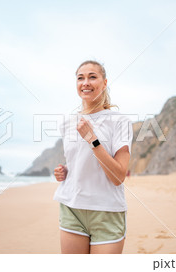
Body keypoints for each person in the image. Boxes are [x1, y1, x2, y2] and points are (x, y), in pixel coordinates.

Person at [53, 60, 133, 254]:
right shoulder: (67, 123)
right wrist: (63, 171)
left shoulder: (119, 121)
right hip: (72, 207)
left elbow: (118, 177)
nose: (85, 82)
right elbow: (78, 162)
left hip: (107, 211)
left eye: (92, 77)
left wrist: (92, 139)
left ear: (104, 83)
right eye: (80, 78)